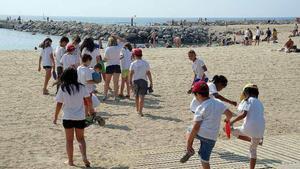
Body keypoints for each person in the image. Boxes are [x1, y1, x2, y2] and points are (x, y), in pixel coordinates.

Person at [180, 81, 233, 169]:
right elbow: (230, 114)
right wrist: (227, 120)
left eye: (195, 95)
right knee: (205, 160)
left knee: (189, 129)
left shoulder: (200, 108)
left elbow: (196, 127)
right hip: (212, 137)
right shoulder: (218, 103)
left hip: (202, 133)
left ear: (198, 95)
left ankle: (189, 150)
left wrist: (189, 144)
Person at [53, 68, 91, 167]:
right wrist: (91, 111)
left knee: (69, 140)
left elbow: (59, 104)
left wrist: (55, 117)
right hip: (79, 117)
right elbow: (88, 100)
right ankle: (84, 156)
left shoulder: (63, 88)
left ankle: (70, 161)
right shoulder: (82, 87)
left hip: (68, 117)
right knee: (81, 139)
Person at [230, 84, 265, 169]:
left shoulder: (248, 100)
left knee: (229, 130)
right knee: (253, 150)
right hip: (260, 130)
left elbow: (243, 115)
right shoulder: (260, 103)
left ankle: (250, 140)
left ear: (246, 93)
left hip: (248, 129)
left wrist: (231, 122)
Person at [129, 48, 153, 116]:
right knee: (142, 96)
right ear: (141, 55)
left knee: (136, 96)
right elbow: (148, 73)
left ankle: (137, 109)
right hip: (143, 81)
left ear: (134, 55)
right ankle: (140, 111)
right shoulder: (145, 63)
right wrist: (151, 82)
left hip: (135, 81)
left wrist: (130, 82)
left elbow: (131, 74)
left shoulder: (133, 63)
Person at [103, 35, 126, 101]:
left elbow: (106, 59)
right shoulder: (118, 47)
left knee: (107, 82)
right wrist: (116, 36)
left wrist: (102, 61)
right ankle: (115, 96)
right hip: (117, 65)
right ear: (116, 41)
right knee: (116, 82)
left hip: (109, 66)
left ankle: (105, 95)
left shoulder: (107, 49)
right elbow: (124, 41)